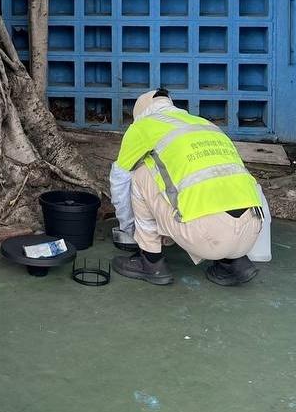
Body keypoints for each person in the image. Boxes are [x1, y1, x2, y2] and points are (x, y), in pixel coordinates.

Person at [110, 88, 265, 286]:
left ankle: (151, 262)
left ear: (139, 115)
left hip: (206, 236)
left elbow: (120, 181)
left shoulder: (141, 127)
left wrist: (129, 229)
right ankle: (232, 262)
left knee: (139, 174)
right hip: (251, 234)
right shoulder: (203, 124)